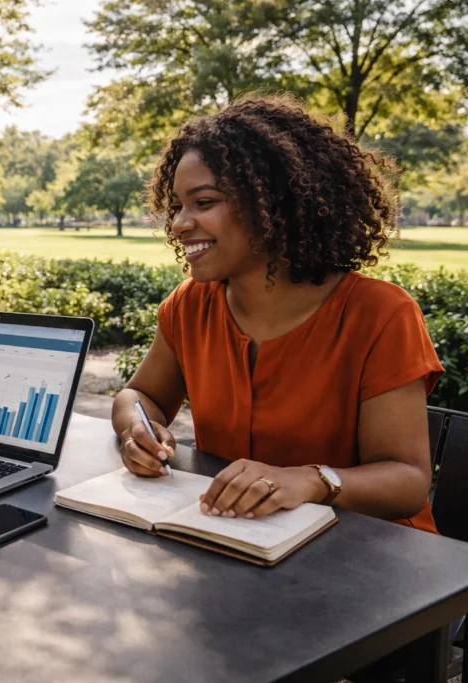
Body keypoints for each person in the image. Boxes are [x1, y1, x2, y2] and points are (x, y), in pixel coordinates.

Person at [112, 95, 443, 533]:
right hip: (240, 538)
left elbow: (408, 482)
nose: (178, 224)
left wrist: (310, 481)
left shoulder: (380, 315)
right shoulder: (191, 305)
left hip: (369, 556)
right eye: (176, 206)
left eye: (203, 202)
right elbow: (138, 396)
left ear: (275, 205)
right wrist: (139, 429)